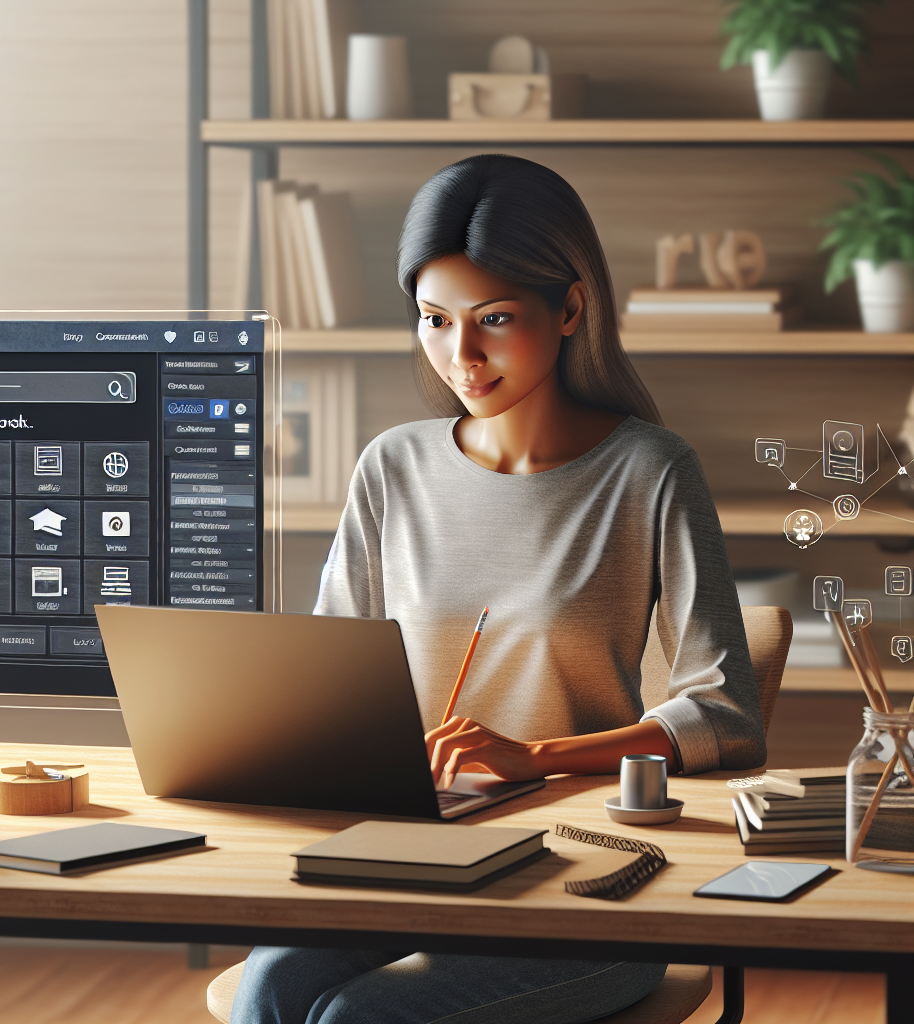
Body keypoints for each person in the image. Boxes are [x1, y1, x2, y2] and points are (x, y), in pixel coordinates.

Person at [230, 154, 765, 1024]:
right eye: (434, 321)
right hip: (406, 860)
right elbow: (326, 683)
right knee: (271, 991)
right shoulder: (391, 467)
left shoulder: (650, 471)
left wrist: (536, 757)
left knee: (355, 1019)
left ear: (571, 310)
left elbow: (726, 712)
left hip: (586, 883)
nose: (461, 356)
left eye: (495, 320)